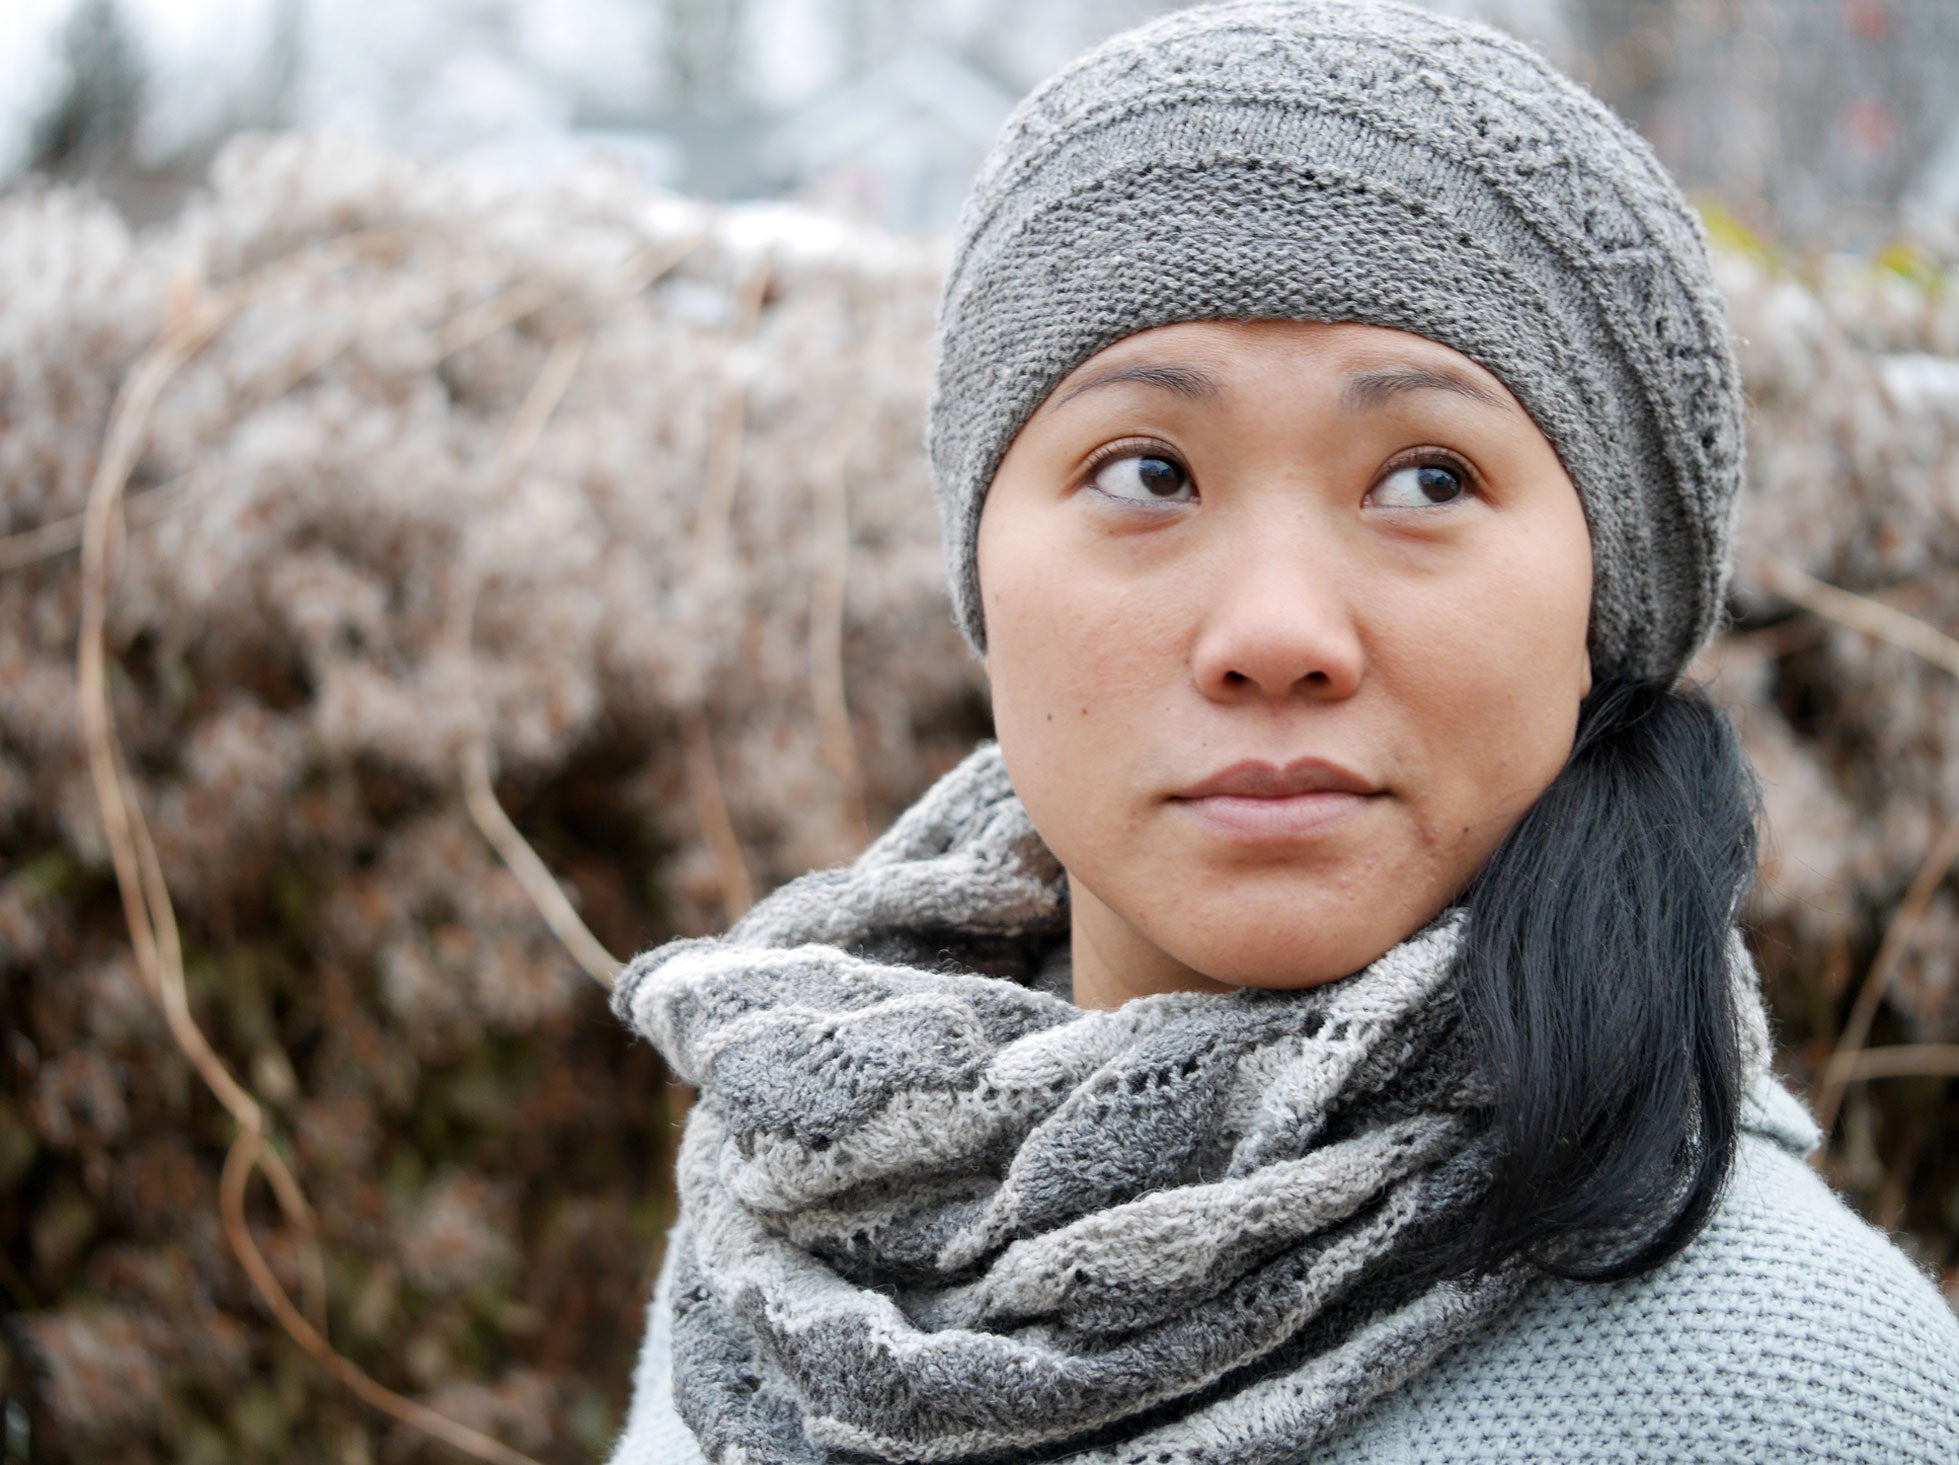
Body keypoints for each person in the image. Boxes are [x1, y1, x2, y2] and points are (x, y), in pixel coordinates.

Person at [604, 3, 1959, 1461]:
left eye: (1429, 479)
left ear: (1603, 601)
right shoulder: (795, 1234)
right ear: (980, 566)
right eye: (1147, 470)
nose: (1275, 634)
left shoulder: (1796, 1383)